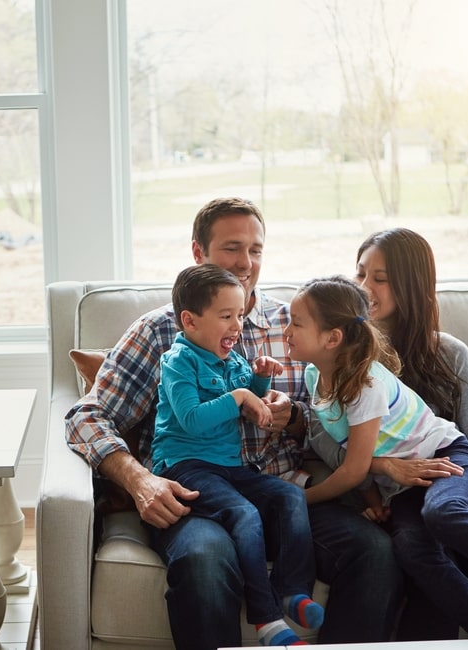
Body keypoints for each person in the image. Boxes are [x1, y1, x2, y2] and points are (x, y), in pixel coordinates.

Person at [66, 197, 403, 650]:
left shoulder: (297, 324)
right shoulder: (161, 333)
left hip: (279, 486)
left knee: (376, 553)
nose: (246, 263)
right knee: (204, 562)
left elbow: (341, 417)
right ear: (198, 253)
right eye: (232, 248)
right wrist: (139, 480)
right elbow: (85, 415)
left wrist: (296, 419)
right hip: (195, 493)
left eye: (256, 250)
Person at [284, 275, 468, 649]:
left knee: (444, 513)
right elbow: (351, 451)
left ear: (332, 338)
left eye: (295, 323)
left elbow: (355, 468)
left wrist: (296, 499)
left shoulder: (365, 384)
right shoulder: (317, 376)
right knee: (414, 550)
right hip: (405, 490)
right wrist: (375, 503)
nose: (286, 330)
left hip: (449, 458)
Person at [355, 226, 468, 639]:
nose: (364, 288)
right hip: (404, 501)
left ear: (411, 286)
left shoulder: (449, 352)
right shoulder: (348, 360)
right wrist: (383, 474)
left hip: (458, 487)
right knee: (422, 553)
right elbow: (334, 446)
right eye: (360, 274)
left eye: (380, 278)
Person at [152, 263, 323, 646]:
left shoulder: (232, 360)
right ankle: (267, 621)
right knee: (243, 513)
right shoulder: (178, 362)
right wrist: (241, 396)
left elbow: (248, 396)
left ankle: (292, 590)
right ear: (190, 322)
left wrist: (259, 380)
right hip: (184, 467)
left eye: (241, 315)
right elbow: (193, 419)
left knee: (290, 496)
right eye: (226, 316)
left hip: (229, 467)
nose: (237, 326)